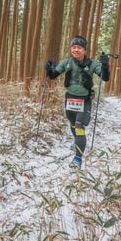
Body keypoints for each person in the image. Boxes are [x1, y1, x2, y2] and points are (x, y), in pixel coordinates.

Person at [44, 35, 109, 168]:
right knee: (73, 124)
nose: (76, 50)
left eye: (79, 47)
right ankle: (77, 141)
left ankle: (78, 158)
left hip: (84, 100)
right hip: (70, 99)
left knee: (79, 127)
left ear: (84, 50)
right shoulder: (66, 62)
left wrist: (105, 66)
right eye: (73, 47)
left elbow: (105, 77)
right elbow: (53, 76)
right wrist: (48, 68)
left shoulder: (92, 64)